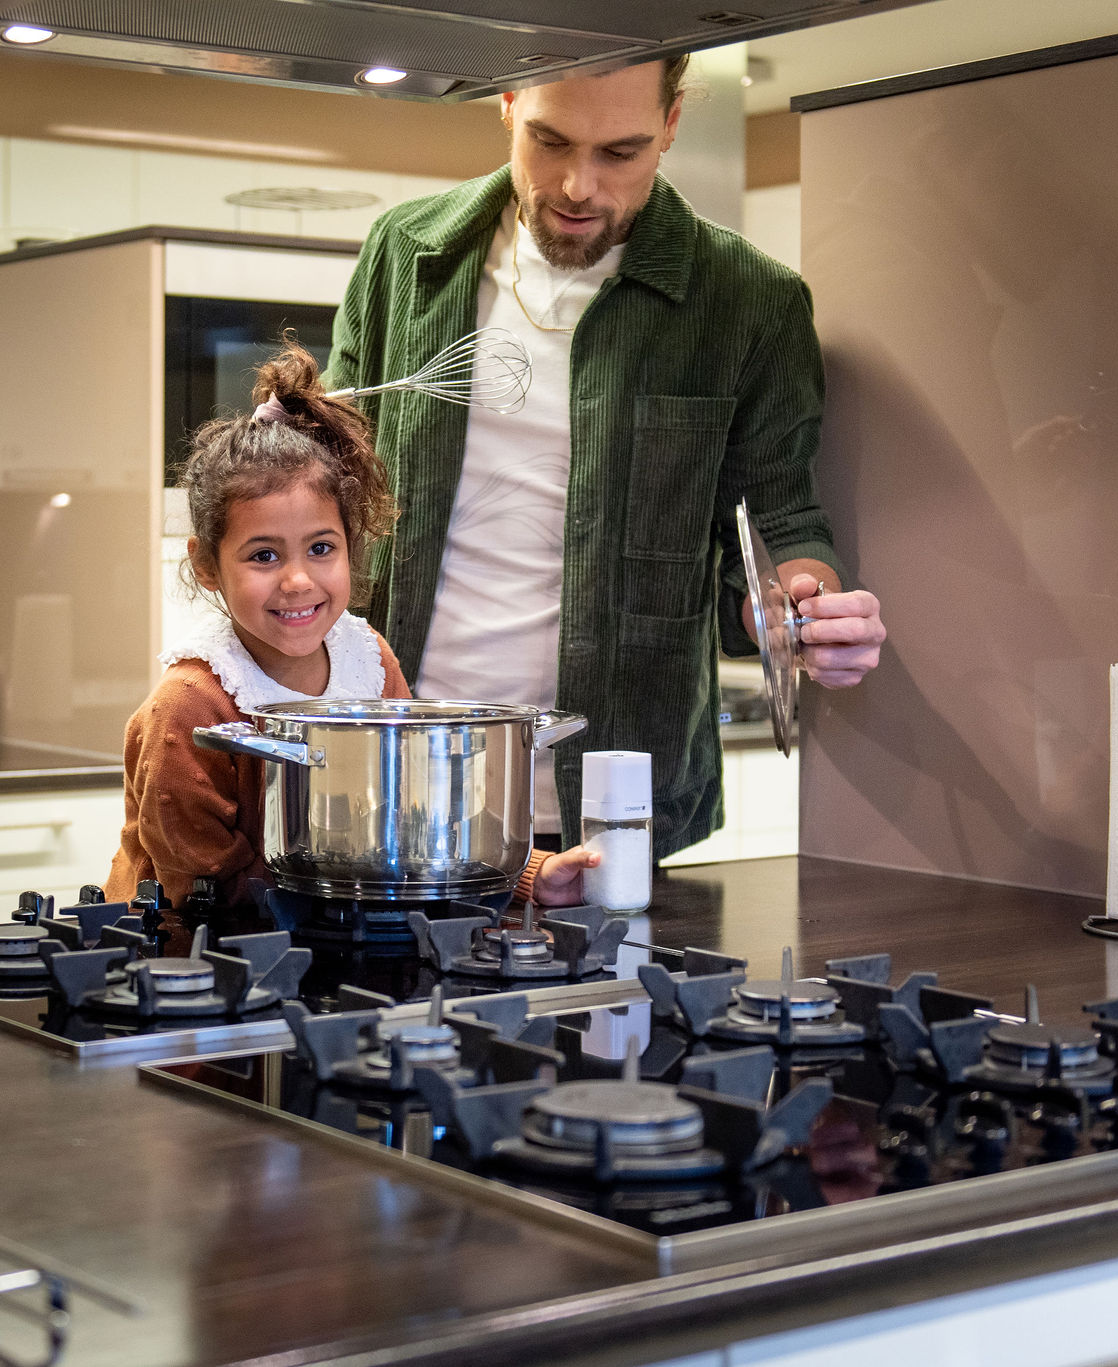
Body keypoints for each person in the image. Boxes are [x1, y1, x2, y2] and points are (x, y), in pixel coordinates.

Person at [328, 55, 888, 858]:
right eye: (549, 142)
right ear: (508, 99)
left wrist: (807, 610)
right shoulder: (406, 253)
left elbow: (781, 519)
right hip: (392, 768)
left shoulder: (747, 300)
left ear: (670, 125)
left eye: (618, 153)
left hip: (611, 797)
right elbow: (330, 482)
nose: (578, 186)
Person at [105, 342, 598, 924]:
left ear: (351, 547)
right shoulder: (190, 707)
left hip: (334, 937)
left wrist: (528, 876)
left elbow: (416, 819)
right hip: (192, 956)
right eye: (263, 555)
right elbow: (205, 886)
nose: (297, 581)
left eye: (321, 549)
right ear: (207, 565)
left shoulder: (365, 657)